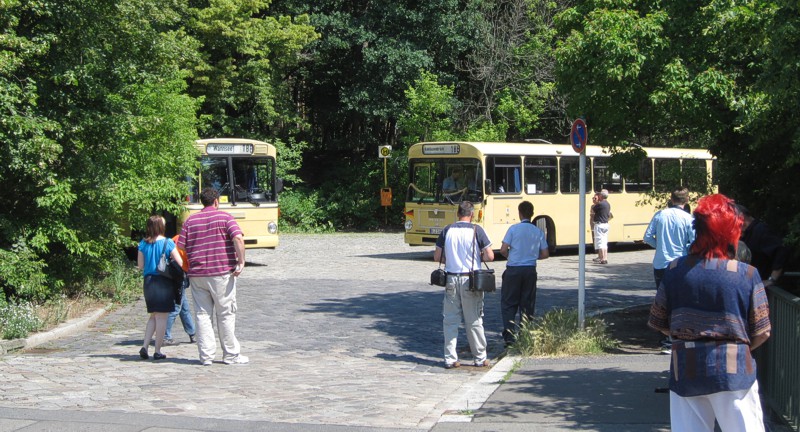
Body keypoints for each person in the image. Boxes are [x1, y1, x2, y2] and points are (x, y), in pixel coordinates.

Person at [648, 194, 771, 432]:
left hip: (685, 369)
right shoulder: (746, 274)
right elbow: (763, 332)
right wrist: (737, 347)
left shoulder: (674, 270)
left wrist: (687, 337)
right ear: (731, 231)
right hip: (733, 371)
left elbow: (659, 322)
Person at [178, 188, 248, 366]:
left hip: (197, 274)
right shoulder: (225, 218)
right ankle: (230, 354)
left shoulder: (190, 221)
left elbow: (181, 246)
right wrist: (241, 262)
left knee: (202, 314)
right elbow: (238, 238)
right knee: (225, 313)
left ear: (202, 202)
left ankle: (206, 356)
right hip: (221, 273)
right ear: (216, 201)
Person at [433, 201, 495, 369]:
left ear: (457, 214)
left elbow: (437, 256)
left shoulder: (447, 230)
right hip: (471, 280)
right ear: (472, 214)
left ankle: (450, 358)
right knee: (474, 320)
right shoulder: (477, 230)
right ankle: (480, 357)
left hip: (451, 279)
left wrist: (452, 260)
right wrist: (477, 257)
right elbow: (490, 256)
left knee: (450, 320)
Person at [499, 201, 549, 347]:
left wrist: (512, 256)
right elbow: (545, 254)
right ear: (532, 214)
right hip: (529, 270)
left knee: (509, 303)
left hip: (513, 269)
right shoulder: (537, 232)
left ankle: (509, 336)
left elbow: (503, 249)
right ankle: (525, 333)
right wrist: (532, 256)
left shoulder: (513, 229)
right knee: (527, 303)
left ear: (519, 213)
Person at [137, 215, 183, 361]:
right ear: (161, 227)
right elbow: (180, 262)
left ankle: (145, 346)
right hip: (163, 282)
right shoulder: (168, 243)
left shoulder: (142, 244)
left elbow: (140, 266)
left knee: (153, 316)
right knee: (162, 317)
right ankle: (157, 350)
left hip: (148, 282)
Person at [643, 188, 695, 290]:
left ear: (671, 199)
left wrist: (660, 246)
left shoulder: (659, 215)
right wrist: (686, 248)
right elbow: (694, 242)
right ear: (687, 199)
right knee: (679, 295)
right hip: (680, 262)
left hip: (661, 263)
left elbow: (647, 237)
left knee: (662, 296)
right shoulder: (689, 218)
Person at [738, 205, 790, 288]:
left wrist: (772, 279)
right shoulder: (746, 234)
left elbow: (781, 250)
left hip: (763, 287)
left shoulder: (761, 230)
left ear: (741, 217)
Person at [163, 235, 196, 345]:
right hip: (179, 274)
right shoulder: (191, 240)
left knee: (183, 307)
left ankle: (192, 333)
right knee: (176, 307)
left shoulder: (176, 238)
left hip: (172, 273)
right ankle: (165, 336)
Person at [591, 189, 611, 264]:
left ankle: (602, 259)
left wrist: (595, 202)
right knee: (604, 242)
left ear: (601, 196)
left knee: (600, 242)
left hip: (599, 225)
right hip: (605, 224)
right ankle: (605, 258)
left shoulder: (600, 204)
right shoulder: (608, 204)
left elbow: (593, 209)